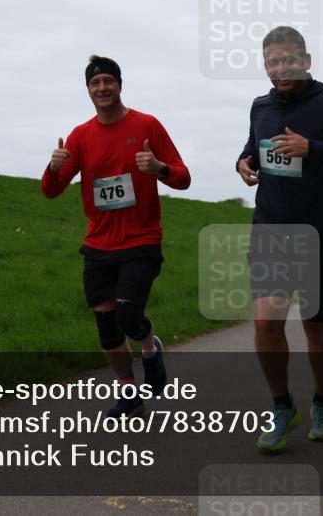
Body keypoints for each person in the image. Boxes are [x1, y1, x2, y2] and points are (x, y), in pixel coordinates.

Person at [236, 25, 323, 452]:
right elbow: (252, 146)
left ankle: (321, 402)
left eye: (288, 60)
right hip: (271, 231)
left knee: (318, 328)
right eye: (272, 62)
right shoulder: (260, 106)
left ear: (306, 60)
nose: (280, 68)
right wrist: (243, 163)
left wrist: (312, 148)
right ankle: (282, 406)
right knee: (266, 324)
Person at [42, 55, 191, 418]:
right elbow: (51, 190)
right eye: (95, 83)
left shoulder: (147, 125)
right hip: (98, 243)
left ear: (120, 85)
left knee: (128, 317)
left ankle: (151, 348)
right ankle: (129, 392)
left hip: (141, 240)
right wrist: (53, 167)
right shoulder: (81, 136)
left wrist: (158, 168)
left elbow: (183, 178)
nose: (102, 88)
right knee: (107, 328)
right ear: (88, 90)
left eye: (108, 80)